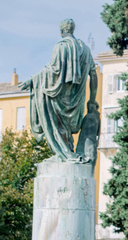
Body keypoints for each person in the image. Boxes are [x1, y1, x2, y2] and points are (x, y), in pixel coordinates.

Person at [20, 18, 99, 163]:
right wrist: (92, 100)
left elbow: (53, 70)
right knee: (66, 127)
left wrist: (33, 80)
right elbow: (93, 76)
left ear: (62, 31)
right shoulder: (86, 50)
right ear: (72, 29)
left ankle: (65, 154)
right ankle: (67, 151)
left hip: (60, 98)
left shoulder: (60, 47)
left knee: (57, 123)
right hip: (77, 101)